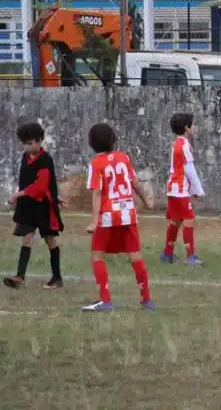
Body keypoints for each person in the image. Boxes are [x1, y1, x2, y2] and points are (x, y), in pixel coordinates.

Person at [82, 123, 155, 312]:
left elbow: (97, 193)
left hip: (108, 215)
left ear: (91, 144)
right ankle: (146, 300)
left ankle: (105, 300)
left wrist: (93, 221)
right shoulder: (123, 158)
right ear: (113, 140)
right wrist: (146, 201)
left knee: (97, 254)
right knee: (135, 254)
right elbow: (135, 184)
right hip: (128, 213)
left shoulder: (95, 164)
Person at [3, 122, 65, 290]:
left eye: (34, 142)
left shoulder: (45, 159)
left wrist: (17, 195)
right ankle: (19, 277)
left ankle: (57, 277)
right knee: (27, 238)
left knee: (50, 239)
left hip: (43, 208)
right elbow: (31, 181)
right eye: (27, 143)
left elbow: (40, 186)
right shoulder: (25, 158)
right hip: (29, 207)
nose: (31, 146)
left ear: (40, 141)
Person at [162, 112, 205, 266]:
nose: (195, 126)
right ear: (187, 127)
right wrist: (198, 190)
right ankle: (190, 256)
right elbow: (189, 169)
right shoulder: (184, 145)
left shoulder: (177, 143)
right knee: (188, 219)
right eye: (193, 124)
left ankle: (167, 254)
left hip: (172, 188)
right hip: (179, 189)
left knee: (176, 221)